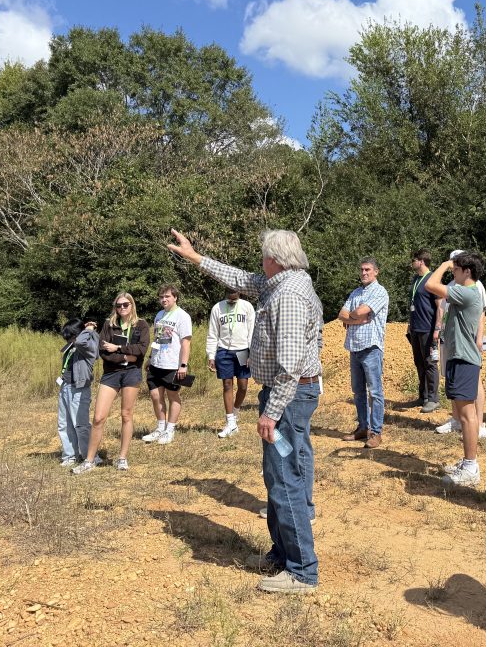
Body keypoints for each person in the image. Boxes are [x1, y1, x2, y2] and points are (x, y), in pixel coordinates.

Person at [167, 228, 323, 594]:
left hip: (289, 394)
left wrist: (271, 412)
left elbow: (289, 366)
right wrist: (195, 258)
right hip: (290, 393)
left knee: (286, 479)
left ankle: (302, 570)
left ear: (274, 258)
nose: (259, 263)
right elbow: (239, 278)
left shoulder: (289, 295)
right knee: (278, 476)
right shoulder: (283, 282)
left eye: (262, 255)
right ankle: (283, 555)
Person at [72, 293, 150, 475]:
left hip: (132, 373)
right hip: (111, 373)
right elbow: (103, 351)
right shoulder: (109, 324)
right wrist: (124, 356)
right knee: (98, 417)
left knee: (126, 415)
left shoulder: (142, 325)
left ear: (132, 305)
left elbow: (142, 349)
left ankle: (122, 458)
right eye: (118, 305)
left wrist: (118, 348)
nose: (122, 308)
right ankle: (89, 461)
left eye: (125, 304)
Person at [425, 252, 485, 486]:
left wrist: (442, 265)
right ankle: (467, 461)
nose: (453, 273)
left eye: (456, 270)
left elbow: (430, 284)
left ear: (467, 272)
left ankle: (471, 467)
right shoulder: (465, 292)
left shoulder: (467, 291)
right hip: (458, 358)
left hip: (464, 359)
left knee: (468, 416)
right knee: (462, 414)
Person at [436, 249, 486, 440]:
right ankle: (458, 419)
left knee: (475, 383)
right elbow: (443, 309)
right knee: (458, 391)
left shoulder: (475, 287)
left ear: (466, 269)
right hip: (454, 344)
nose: (452, 269)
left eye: (455, 266)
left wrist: (479, 339)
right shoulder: (454, 283)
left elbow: (481, 314)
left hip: (469, 345)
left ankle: (479, 423)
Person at [338, 257, 390, 448]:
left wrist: (352, 316)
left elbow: (361, 311)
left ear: (376, 271)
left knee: (375, 392)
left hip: (371, 347)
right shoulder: (356, 292)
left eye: (368, 269)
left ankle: (376, 432)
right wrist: (356, 319)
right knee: (358, 391)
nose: (364, 273)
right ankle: (363, 427)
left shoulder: (380, 292)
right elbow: (341, 314)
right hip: (354, 347)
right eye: (362, 270)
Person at [141, 284, 192, 445]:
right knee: (156, 396)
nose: (164, 299)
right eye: (161, 297)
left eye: (167, 296)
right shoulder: (159, 315)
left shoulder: (182, 316)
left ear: (175, 297)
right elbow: (157, 338)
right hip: (156, 363)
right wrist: (150, 357)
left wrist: (183, 365)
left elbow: (186, 343)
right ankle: (160, 427)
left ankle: (170, 429)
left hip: (172, 365)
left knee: (172, 396)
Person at [206, 289, 255, 438]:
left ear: (239, 292)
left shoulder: (247, 306)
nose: (232, 295)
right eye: (229, 292)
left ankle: (235, 411)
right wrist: (211, 355)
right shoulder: (217, 307)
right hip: (224, 351)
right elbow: (213, 333)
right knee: (227, 384)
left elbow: (252, 330)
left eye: (235, 292)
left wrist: (251, 352)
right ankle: (230, 422)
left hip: (242, 350)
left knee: (243, 386)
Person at [56, 318, 99, 467]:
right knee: (64, 424)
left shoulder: (87, 344)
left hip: (79, 389)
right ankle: (70, 455)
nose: (71, 340)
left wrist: (89, 329)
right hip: (65, 387)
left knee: (80, 425)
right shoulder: (72, 345)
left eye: (73, 337)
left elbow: (81, 342)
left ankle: (90, 456)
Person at [406, 249, 443, 413]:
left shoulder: (432, 279)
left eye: (413, 259)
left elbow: (440, 306)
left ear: (421, 261)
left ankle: (434, 399)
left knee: (430, 363)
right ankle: (423, 396)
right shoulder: (416, 279)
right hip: (415, 328)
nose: (411, 262)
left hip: (428, 328)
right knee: (419, 362)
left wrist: (437, 329)